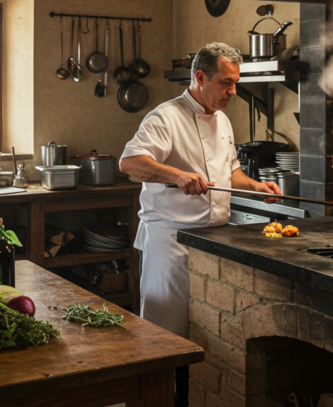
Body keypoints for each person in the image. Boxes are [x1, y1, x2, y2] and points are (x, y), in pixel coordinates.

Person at [119, 42, 281, 406]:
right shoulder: (165, 117)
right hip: (171, 245)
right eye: (226, 83)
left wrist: (256, 187)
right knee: (166, 340)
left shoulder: (222, 119)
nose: (233, 92)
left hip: (217, 244)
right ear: (200, 77)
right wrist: (177, 175)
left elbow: (230, 171)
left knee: (210, 335)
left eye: (236, 83)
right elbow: (130, 163)